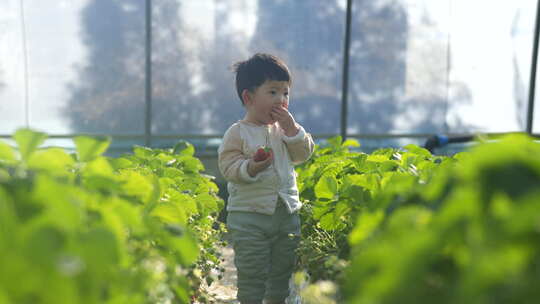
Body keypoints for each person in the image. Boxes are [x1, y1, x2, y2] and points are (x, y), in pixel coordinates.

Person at [218, 53, 314, 304]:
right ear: (249, 97)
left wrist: (293, 131)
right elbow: (228, 166)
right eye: (273, 92)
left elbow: (303, 154)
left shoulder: (285, 130)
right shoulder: (237, 133)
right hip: (249, 216)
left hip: (286, 213)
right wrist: (250, 167)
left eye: (286, 93)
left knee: (282, 272)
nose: (281, 100)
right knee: (252, 272)